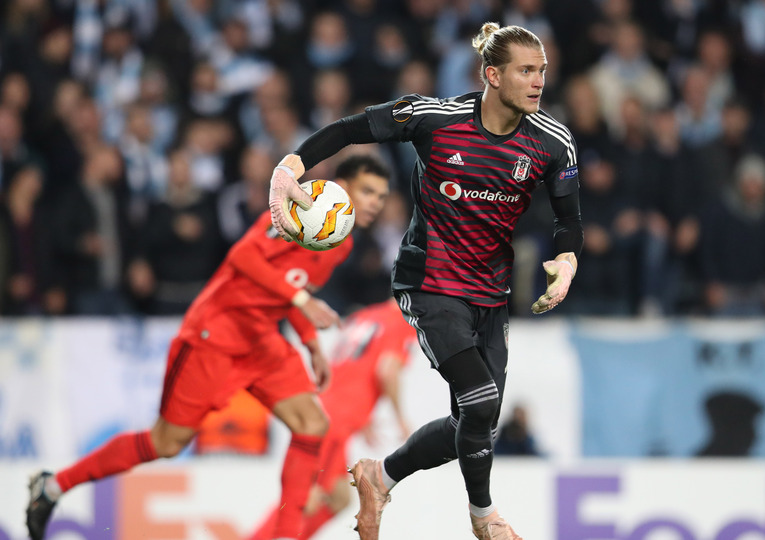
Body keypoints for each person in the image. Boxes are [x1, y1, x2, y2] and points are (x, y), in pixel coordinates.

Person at [268, 22, 582, 540]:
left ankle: (380, 476)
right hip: (430, 283)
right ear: (492, 75)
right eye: (526, 71)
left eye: (542, 71)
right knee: (480, 402)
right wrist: (290, 167)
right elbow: (349, 129)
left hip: (491, 292)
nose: (538, 81)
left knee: (475, 425)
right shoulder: (434, 119)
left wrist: (567, 260)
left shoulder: (553, 142)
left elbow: (568, 220)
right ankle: (484, 518)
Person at [25, 155, 391, 540]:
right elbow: (243, 256)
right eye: (367, 191)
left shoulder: (340, 243)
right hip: (214, 334)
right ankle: (53, 487)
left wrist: (311, 343)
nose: (374, 204)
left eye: (381, 197)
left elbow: (293, 289)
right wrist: (302, 304)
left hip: (261, 338)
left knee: (312, 423)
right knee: (165, 442)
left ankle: (286, 534)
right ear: (339, 187)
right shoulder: (296, 210)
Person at [247, 298, 417, 540]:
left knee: (338, 497)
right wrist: (400, 418)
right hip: (338, 421)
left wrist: (363, 417)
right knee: (307, 498)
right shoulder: (404, 322)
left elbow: (349, 365)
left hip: (328, 410)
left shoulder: (366, 314)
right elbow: (387, 370)